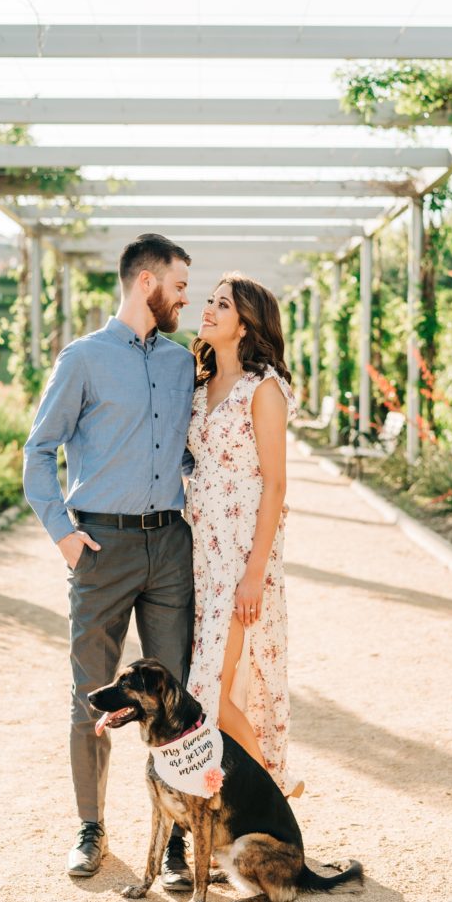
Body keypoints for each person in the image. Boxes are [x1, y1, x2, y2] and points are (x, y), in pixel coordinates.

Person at [23, 234, 196, 887]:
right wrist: (62, 533)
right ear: (146, 281)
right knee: (89, 695)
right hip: (100, 547)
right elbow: (39, 450)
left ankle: (177, 840)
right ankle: (91, 826)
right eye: (179, 285)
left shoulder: (182, 364)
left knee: (176, 697)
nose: (186, 297)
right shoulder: (85, 359)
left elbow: (187, 448)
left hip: (170, 548)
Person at [185, 273, 303, 797]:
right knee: (213, 684)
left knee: (206, 689)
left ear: (246, 323)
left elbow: (276, 485)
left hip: (240, 559)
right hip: (199, 553)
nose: (207, 309)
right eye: (210, 301)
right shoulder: (198, 383)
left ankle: (268, 797)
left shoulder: (265, 390)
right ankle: (262, 791)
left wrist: (254, 575)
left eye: (222, 304)